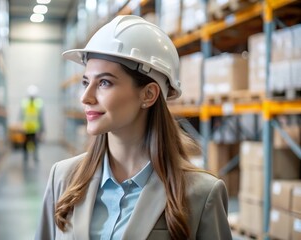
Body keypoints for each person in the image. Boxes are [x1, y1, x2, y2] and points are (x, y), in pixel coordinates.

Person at [35, 15, 232, 240]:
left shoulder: (200, 194)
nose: (86, 97)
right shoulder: (62, 178)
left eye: (104, 83)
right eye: (85, 82)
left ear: (148, 94)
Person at [20, 84, 44, 162]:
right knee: (25, 143)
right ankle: (26, 157)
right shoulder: (25, 103)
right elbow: (21, 116)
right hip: (26, 128)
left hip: (34, 128)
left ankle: (35, 157)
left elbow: (41, 117)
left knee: (35, 144)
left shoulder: (38, 103)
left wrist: (42, 128)